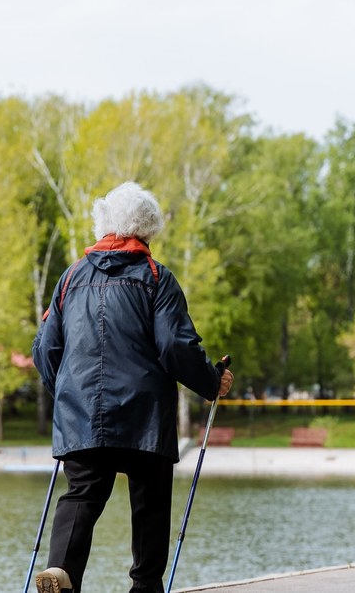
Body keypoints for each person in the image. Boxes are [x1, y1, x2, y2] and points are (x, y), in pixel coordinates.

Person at [31, 181, 234, 593]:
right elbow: (176, 345)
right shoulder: (157, 278)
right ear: (148, 228)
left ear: (103, 223)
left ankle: (61, 570)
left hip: (82, 413)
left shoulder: (70, 277)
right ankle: (144, 586)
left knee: (82, 493)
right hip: (144, 414)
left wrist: (68, 397)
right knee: (151, 499)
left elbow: (45, 349)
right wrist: (212, 383)